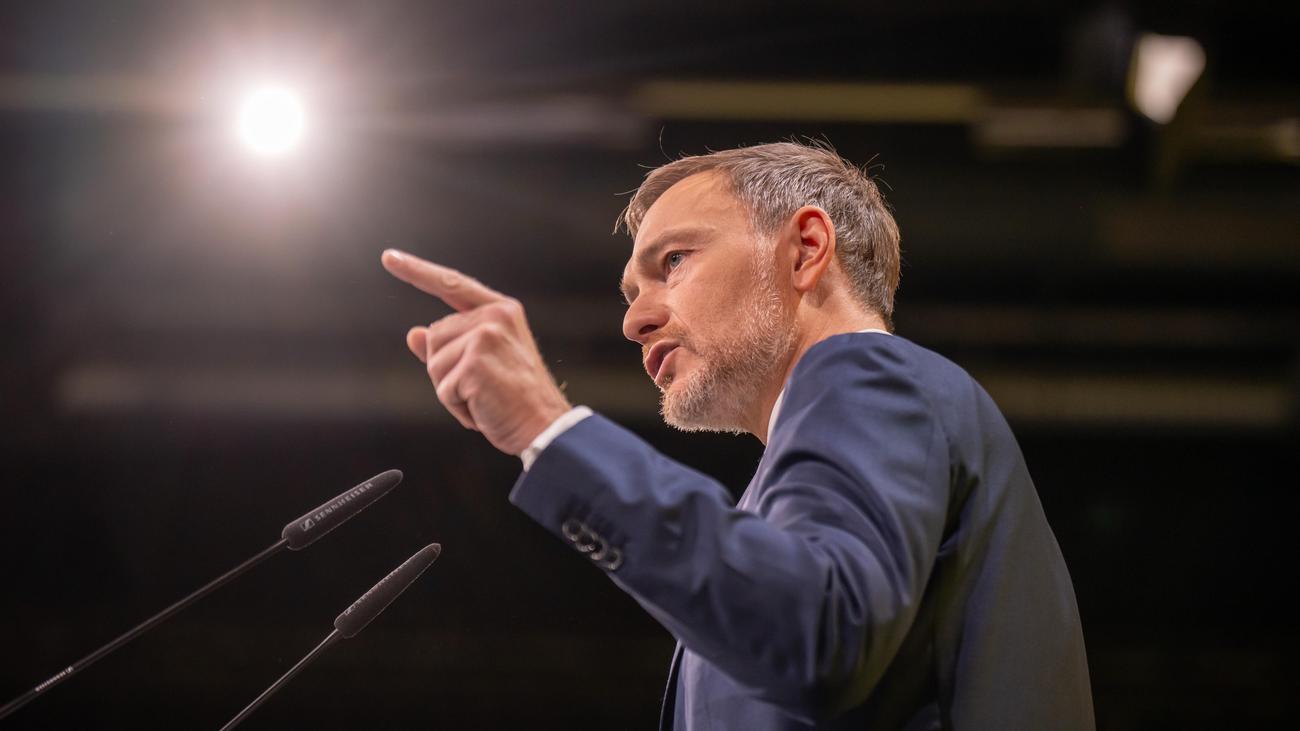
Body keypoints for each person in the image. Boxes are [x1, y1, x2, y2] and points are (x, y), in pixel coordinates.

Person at [380, 141, 1095, 730]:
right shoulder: (787, 500)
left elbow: (820, 633)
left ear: (806, 249)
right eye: (631, 294)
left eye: (673, 262)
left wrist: (550, 428)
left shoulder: (869, 374)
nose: (634, 321)